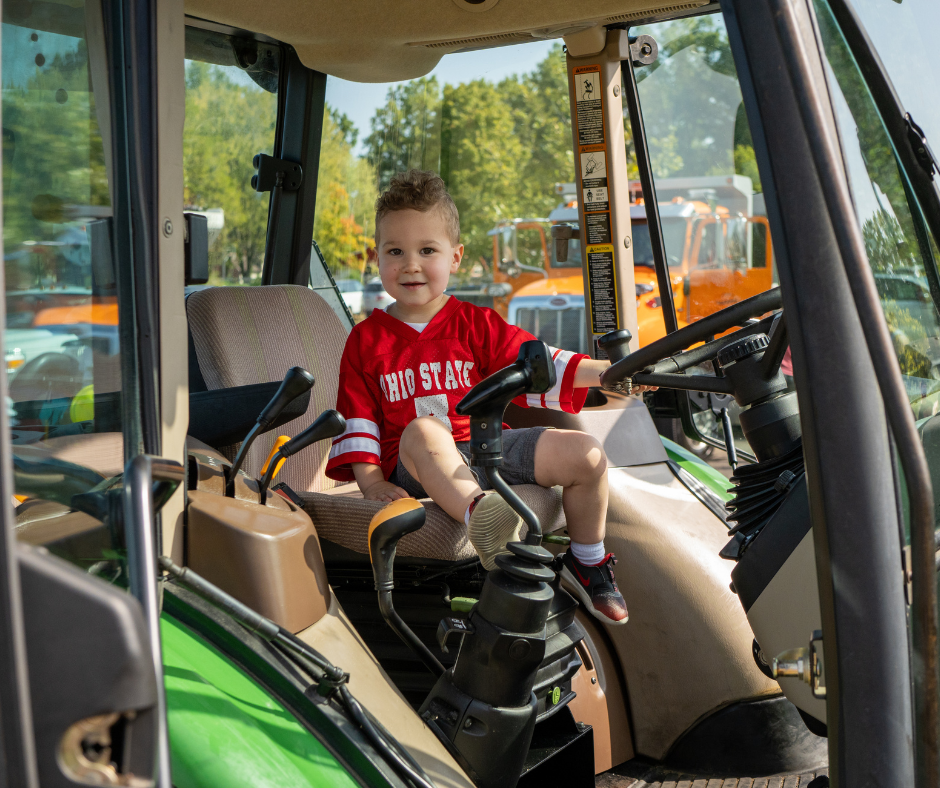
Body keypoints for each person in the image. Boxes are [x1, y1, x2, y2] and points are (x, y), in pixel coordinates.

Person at [326, 170, 652, 626]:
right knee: (423, 431)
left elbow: (538, 363)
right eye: (394, 251)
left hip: (486, 447)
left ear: (455, 256)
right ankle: (483, 517)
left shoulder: (476, 323)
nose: (411, 264)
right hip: (420, 465)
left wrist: (609, 374)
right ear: (376, 257)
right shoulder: (366, 340)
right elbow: (358, 417)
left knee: (587, 455)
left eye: (427, 250)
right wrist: (372, 483)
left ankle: (588, 559)